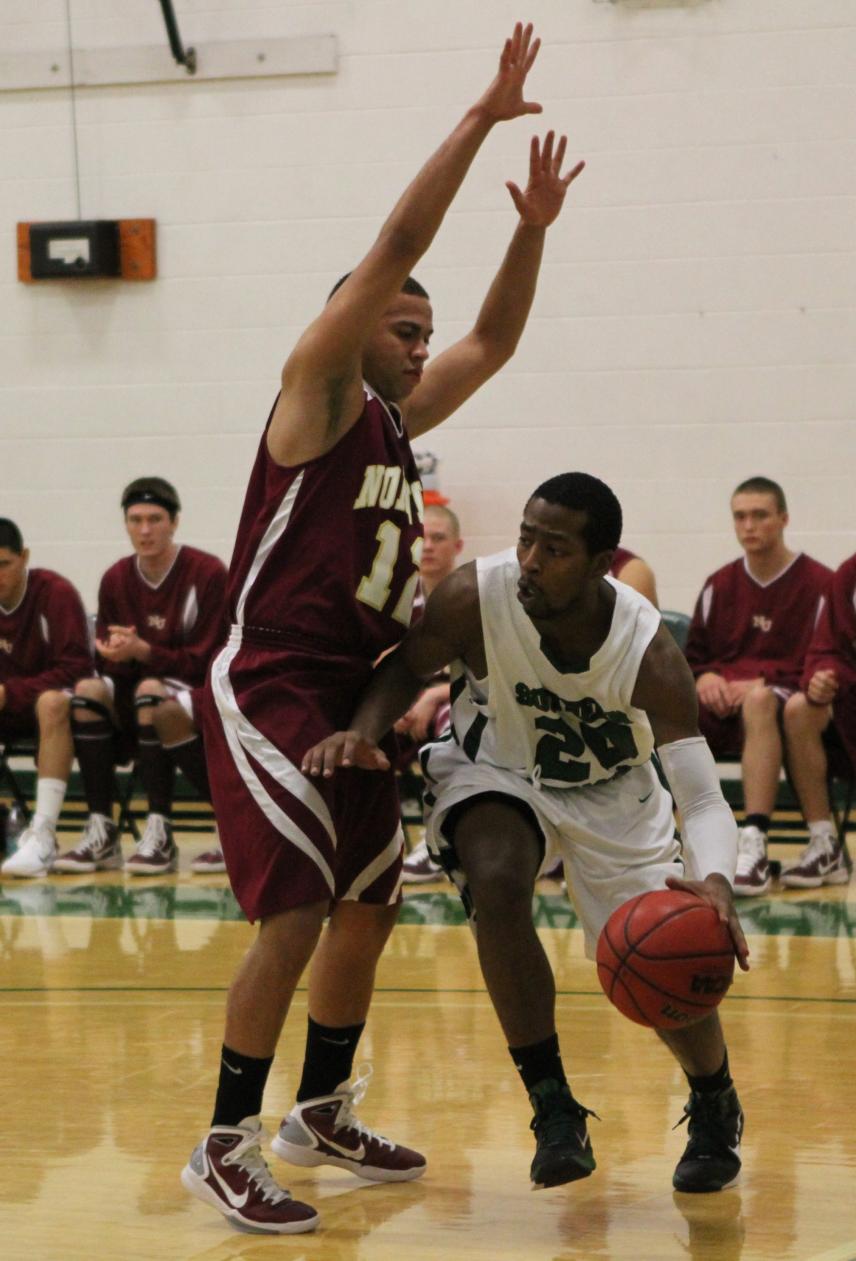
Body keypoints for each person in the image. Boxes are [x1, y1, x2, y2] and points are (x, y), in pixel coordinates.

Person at [181, 24, 585, 1236]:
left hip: (352, 688)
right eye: (403, 328)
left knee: (369, 901)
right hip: (272, 680)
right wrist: (477, 118)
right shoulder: (315, 393)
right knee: (298, 909)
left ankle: (318, 1112)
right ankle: (223, 1140)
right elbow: (397, 248)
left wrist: (531, 229)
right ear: (349, 324)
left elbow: (494, 343)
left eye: (421, 331)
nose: (419, 344)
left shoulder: (400, 426)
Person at [303, 472, 749, 1194]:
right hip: (498, 770)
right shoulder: (475, 596)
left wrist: (717, 881)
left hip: (614, 795)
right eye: (526, 540)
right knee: (497, 875)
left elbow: (699, 795)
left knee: (662, 949)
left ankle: (713, 1096)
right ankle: (552, 1105)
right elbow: (407, 667)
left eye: (556, 550)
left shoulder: (647, 649)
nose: (532, 562)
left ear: (601, 562)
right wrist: (361, 730)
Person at [51, 478, 228, 877]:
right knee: (87, 690)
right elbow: (109, 663)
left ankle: (160, 831)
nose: (144, 530)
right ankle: (102, 829)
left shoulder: (207, 572)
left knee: (150, 691)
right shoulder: (115, 577)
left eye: (154, 519)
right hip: (136, 693)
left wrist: (146, 652)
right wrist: (113, 653)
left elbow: (208, 661)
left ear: (174, 522)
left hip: (195, 692)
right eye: (135, 520)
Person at [684, 476, 831, 896]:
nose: (749, 526)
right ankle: (659, 841)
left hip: (787, 697)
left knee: (761, 700)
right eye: (740, 516)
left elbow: (824, 659)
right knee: (663, 710)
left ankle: (754, 841)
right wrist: (705, 676)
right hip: (724, 703)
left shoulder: (819, 582)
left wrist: (760, 681)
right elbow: (694, 656)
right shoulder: (719, 583)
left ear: (783, 519)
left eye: (760, 515)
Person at [0, 519, 92, 877]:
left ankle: (43, 835)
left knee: (51, 702)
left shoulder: (55, 593)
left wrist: (10, 693)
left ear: (24, 557)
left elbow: (76, 668)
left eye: (4, 564)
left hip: (51, 711)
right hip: (8, 709)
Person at [780, 552, 856, 886]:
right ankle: (824, 843)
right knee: (800, 709)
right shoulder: (849, 574)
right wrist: (823, 676)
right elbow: (827, 648)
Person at [401, 504, 464, 883]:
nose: (428, 546)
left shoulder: (473, 595)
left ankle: (436, 841)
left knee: (451, 727)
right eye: (422, 538)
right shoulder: (398, 599)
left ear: (458, 546)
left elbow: (488, 674)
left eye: (438, 538)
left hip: (457, 700)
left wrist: (434, 696)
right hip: (405, 703)